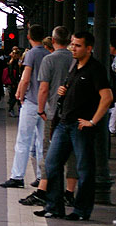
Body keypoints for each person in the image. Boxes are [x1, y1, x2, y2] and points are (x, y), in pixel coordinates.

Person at [34, 31, 113, 220]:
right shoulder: (74, 66)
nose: (73, 48)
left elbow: (107, 97)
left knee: (84, 168)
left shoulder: (95, 69)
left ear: (88, 48)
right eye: (72, 44)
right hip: (64, 123)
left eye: (77, 45)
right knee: (52, 164)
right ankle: (54, 207)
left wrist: (93, 121)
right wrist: (63, 90)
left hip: (80, 126)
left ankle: (81, 211)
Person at [19, 26, 77, 207]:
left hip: (53, 113)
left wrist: (41, 110)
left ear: (52, 41)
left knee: (48, 152)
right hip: (74, 113)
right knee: (72, 155)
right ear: (69, 41)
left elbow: (43, 89)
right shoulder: (76, 59)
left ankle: (44, 192)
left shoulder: (49, 59)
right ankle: (69, 193)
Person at [0, 25, 49, 189]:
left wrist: (19, 95)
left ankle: (17, 176)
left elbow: (26, 79)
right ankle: (42, 177)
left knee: (23, 141)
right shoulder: (48, 54)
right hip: (46, 104)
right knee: (42, 142)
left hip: (31, 103)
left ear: (29, 36)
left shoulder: (32, 54)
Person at [5, 48, 22, 116]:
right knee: (14, 97)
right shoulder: (13, 63)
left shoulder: (13, 62)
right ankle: (11, 110)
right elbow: (11, 74)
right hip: (14, 83)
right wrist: (14, 82)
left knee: (14, 97)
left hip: (15, 82)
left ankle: (14, 110)